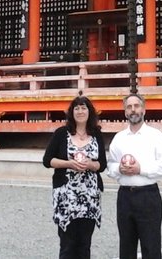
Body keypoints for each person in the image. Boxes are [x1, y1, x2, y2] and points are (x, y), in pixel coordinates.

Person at [106, 93, 162, 259]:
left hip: (147, 195)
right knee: (126, 246)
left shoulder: (156, 136)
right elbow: (110, 165)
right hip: (125, 196)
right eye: (129, 107)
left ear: (144, 109)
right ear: (125, 111)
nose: (133, 110)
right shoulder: (118, 138)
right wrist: (119, 169)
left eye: (136, 106)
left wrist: (140, 169)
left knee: (151, 245)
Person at [42, 95, 107, 259]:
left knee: (85, 244)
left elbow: (102, 164)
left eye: (83, 108)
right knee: (67, 244)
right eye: (76, 108)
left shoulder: (96, 134)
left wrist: (90, 165)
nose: (80, 111)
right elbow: (47, 160)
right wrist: (69, 164)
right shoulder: (61, 133)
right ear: (71, 112)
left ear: (89, 111)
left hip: (90, 197)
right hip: (66, 196)